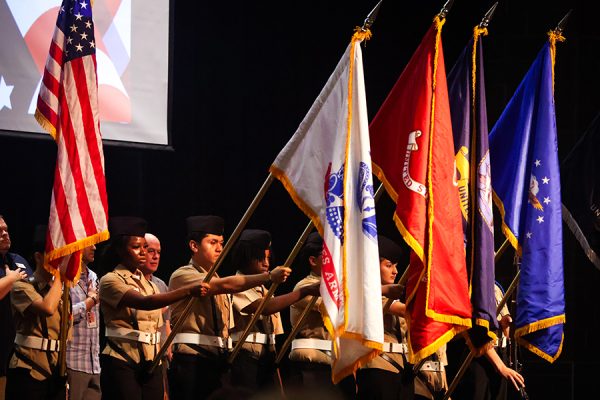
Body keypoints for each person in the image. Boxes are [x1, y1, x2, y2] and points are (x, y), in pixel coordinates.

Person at [167, 216, 291, 400]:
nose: (219, 248)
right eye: (212, 242)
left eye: (221, 243)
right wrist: (269, 277)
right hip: (192, 360)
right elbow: (225, 285)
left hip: (217, 359)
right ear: (194, 246)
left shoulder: (218, 278)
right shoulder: (184, 274)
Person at [98, 216, 209, 400]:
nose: (142, 252)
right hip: (122, 358)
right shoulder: (110, 280)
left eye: (144, 247)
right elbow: (145, 302)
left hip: (151, 361)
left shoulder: (150, 284)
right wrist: (188, 290)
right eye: (136, 247)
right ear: (119, 250)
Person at [228, 229, 320, 395]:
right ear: (246, 257)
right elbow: (264, 308)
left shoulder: (263, 289)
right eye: (261, 258)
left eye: (268, 258)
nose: (266, 263)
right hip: (245, 358)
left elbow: (272, 336)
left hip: (266, 358)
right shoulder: (237, 285)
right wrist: (303, 292)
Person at [5, 224, 69, 400]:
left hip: (56, 369)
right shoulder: (22, 286)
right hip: (29, 367)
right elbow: (47, 308)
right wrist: (60, 277)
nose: (60, 260)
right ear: (39, 257)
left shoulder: (63, 291)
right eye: (55, 255)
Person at [356, 235, 414, 400]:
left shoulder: (392, 297)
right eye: (389, 266)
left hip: (401, 369)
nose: (395, 271)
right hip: (377, 367)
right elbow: (404, 311)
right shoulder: (364, 293)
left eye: (396, 266)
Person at [449, 282, 525, 400]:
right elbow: (475, 331)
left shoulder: (496, 286)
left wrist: (504, 324)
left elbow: (505, 329)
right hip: (480, 356)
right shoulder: (470, 286)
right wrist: (500, 366)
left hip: (501, 354)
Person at [0, 215, 31, 399]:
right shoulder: (13, 272)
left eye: (6, 230)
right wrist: (11, 279)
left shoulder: (18, 260)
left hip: (22, 358)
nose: (5, 234)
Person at [66, 245, 101, 400]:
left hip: (94, 364)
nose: (94, 247)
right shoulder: (63, 277)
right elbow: (61, 316)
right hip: (73, 362)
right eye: (89, 243)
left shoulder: (94, 276)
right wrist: (91, 301)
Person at [141, 233, 171, 400]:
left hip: (161, 355)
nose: (156, 256)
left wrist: (169, 347)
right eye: (151, 251)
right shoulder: (129, 282)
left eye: (158, 252)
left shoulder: (160, 284)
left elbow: (166, 321)